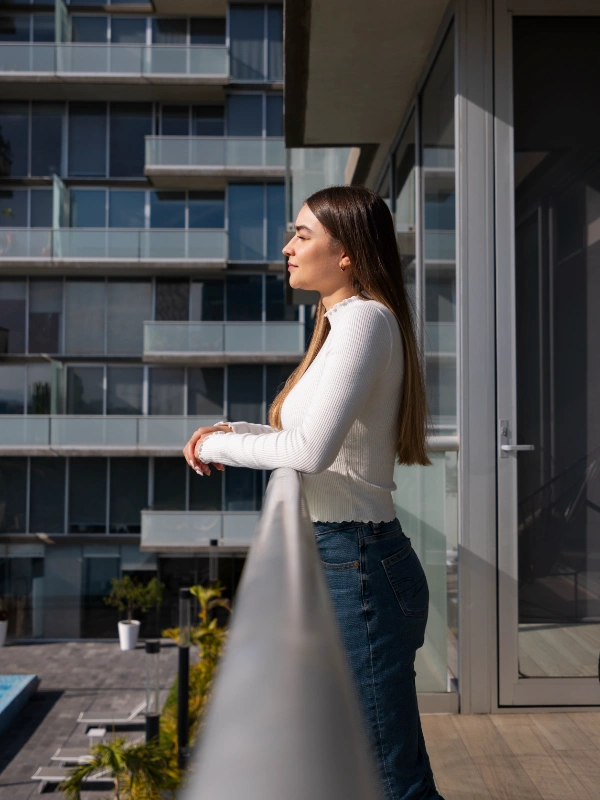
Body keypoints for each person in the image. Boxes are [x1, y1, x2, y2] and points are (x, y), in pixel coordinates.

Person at [183, 185, 444, 800]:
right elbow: (303, 434)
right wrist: (233, 429)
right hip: (352, 561)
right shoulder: (345, 322)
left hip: (357, 565)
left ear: (347, 250)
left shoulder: (364, 322)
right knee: (393, 765)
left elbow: (307, 454)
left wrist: (216, 449)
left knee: (387, 778)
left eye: (303, 235)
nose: (287, 248)